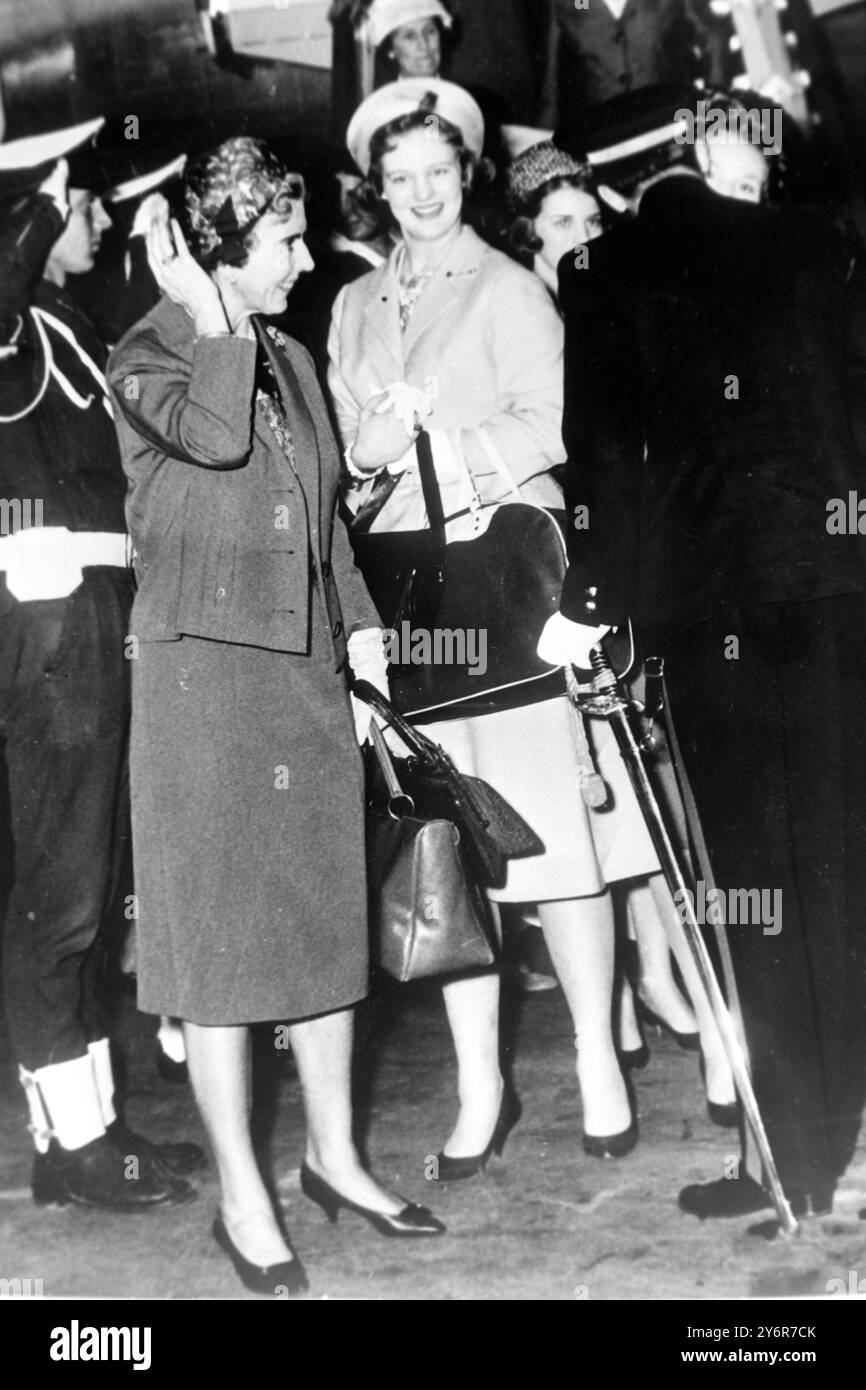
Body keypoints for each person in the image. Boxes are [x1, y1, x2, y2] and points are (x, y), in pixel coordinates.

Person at [108, 135, 445, 1296]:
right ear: (217, 258)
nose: (306, 259)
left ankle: (334, 1158)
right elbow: (215, 439)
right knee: (219, 956)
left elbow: (326, 520)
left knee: (320, 930)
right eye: (284, 241)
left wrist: (361, 642)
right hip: (201, 690)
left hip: (301, 676)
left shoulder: (292, 354)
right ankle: (242, 1202)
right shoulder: (147, 354)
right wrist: (207, 317)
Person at [329, 77, 666, 1171]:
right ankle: (482, 1089)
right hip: (410, 608)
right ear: (375, 189)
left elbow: (547, 427)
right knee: (449, 849)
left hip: (506, 596)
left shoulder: (513, 288)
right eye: (398, 177)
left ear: (465, 175)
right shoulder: (351, 306)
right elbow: (340, 450)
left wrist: (444, 442)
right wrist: (375, 451)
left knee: (554, 846)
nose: (420, 194)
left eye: (437, 172)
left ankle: (595, 1061)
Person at [545, 90, 866, 1224]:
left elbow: (604, 464)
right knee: (834, 860)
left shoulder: (600, 269)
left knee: (754, 880)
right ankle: (842, 1125)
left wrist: (588, 602)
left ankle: (788, 1160)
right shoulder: (812, 243)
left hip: (713, 611)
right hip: (833, 589)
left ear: (626, 176)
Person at [505, 135, 736, 1116]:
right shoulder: (531, 321)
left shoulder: (629, 305)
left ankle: (691, 1000)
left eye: (590, 220)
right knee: (600, 806)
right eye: (557, 226)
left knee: (662, 806)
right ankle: (636, 999)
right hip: (557, 579)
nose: (580, 238)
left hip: (634, 583)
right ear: (526, 245)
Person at [0, 120, 204, 1213]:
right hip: (45, 636)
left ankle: (95, 1125)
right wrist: (30, 203)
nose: (97, 220)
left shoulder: (55, 325)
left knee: (90, 886)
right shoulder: (9, 332)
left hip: (95, 624)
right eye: (75, 204)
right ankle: (68, 1142)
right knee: (58, 900)